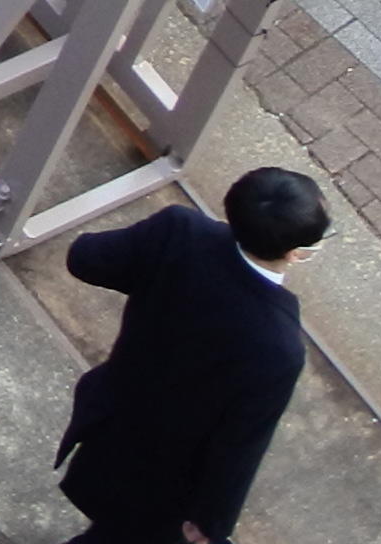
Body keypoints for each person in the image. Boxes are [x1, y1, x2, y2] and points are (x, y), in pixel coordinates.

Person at [56, 170, 328, 544]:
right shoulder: (278, 348)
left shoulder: (179, 231)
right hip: (166, 479)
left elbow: (85, 258)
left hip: (112, 418)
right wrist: (211, 525)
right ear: (295, 253)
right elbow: (239, 447)